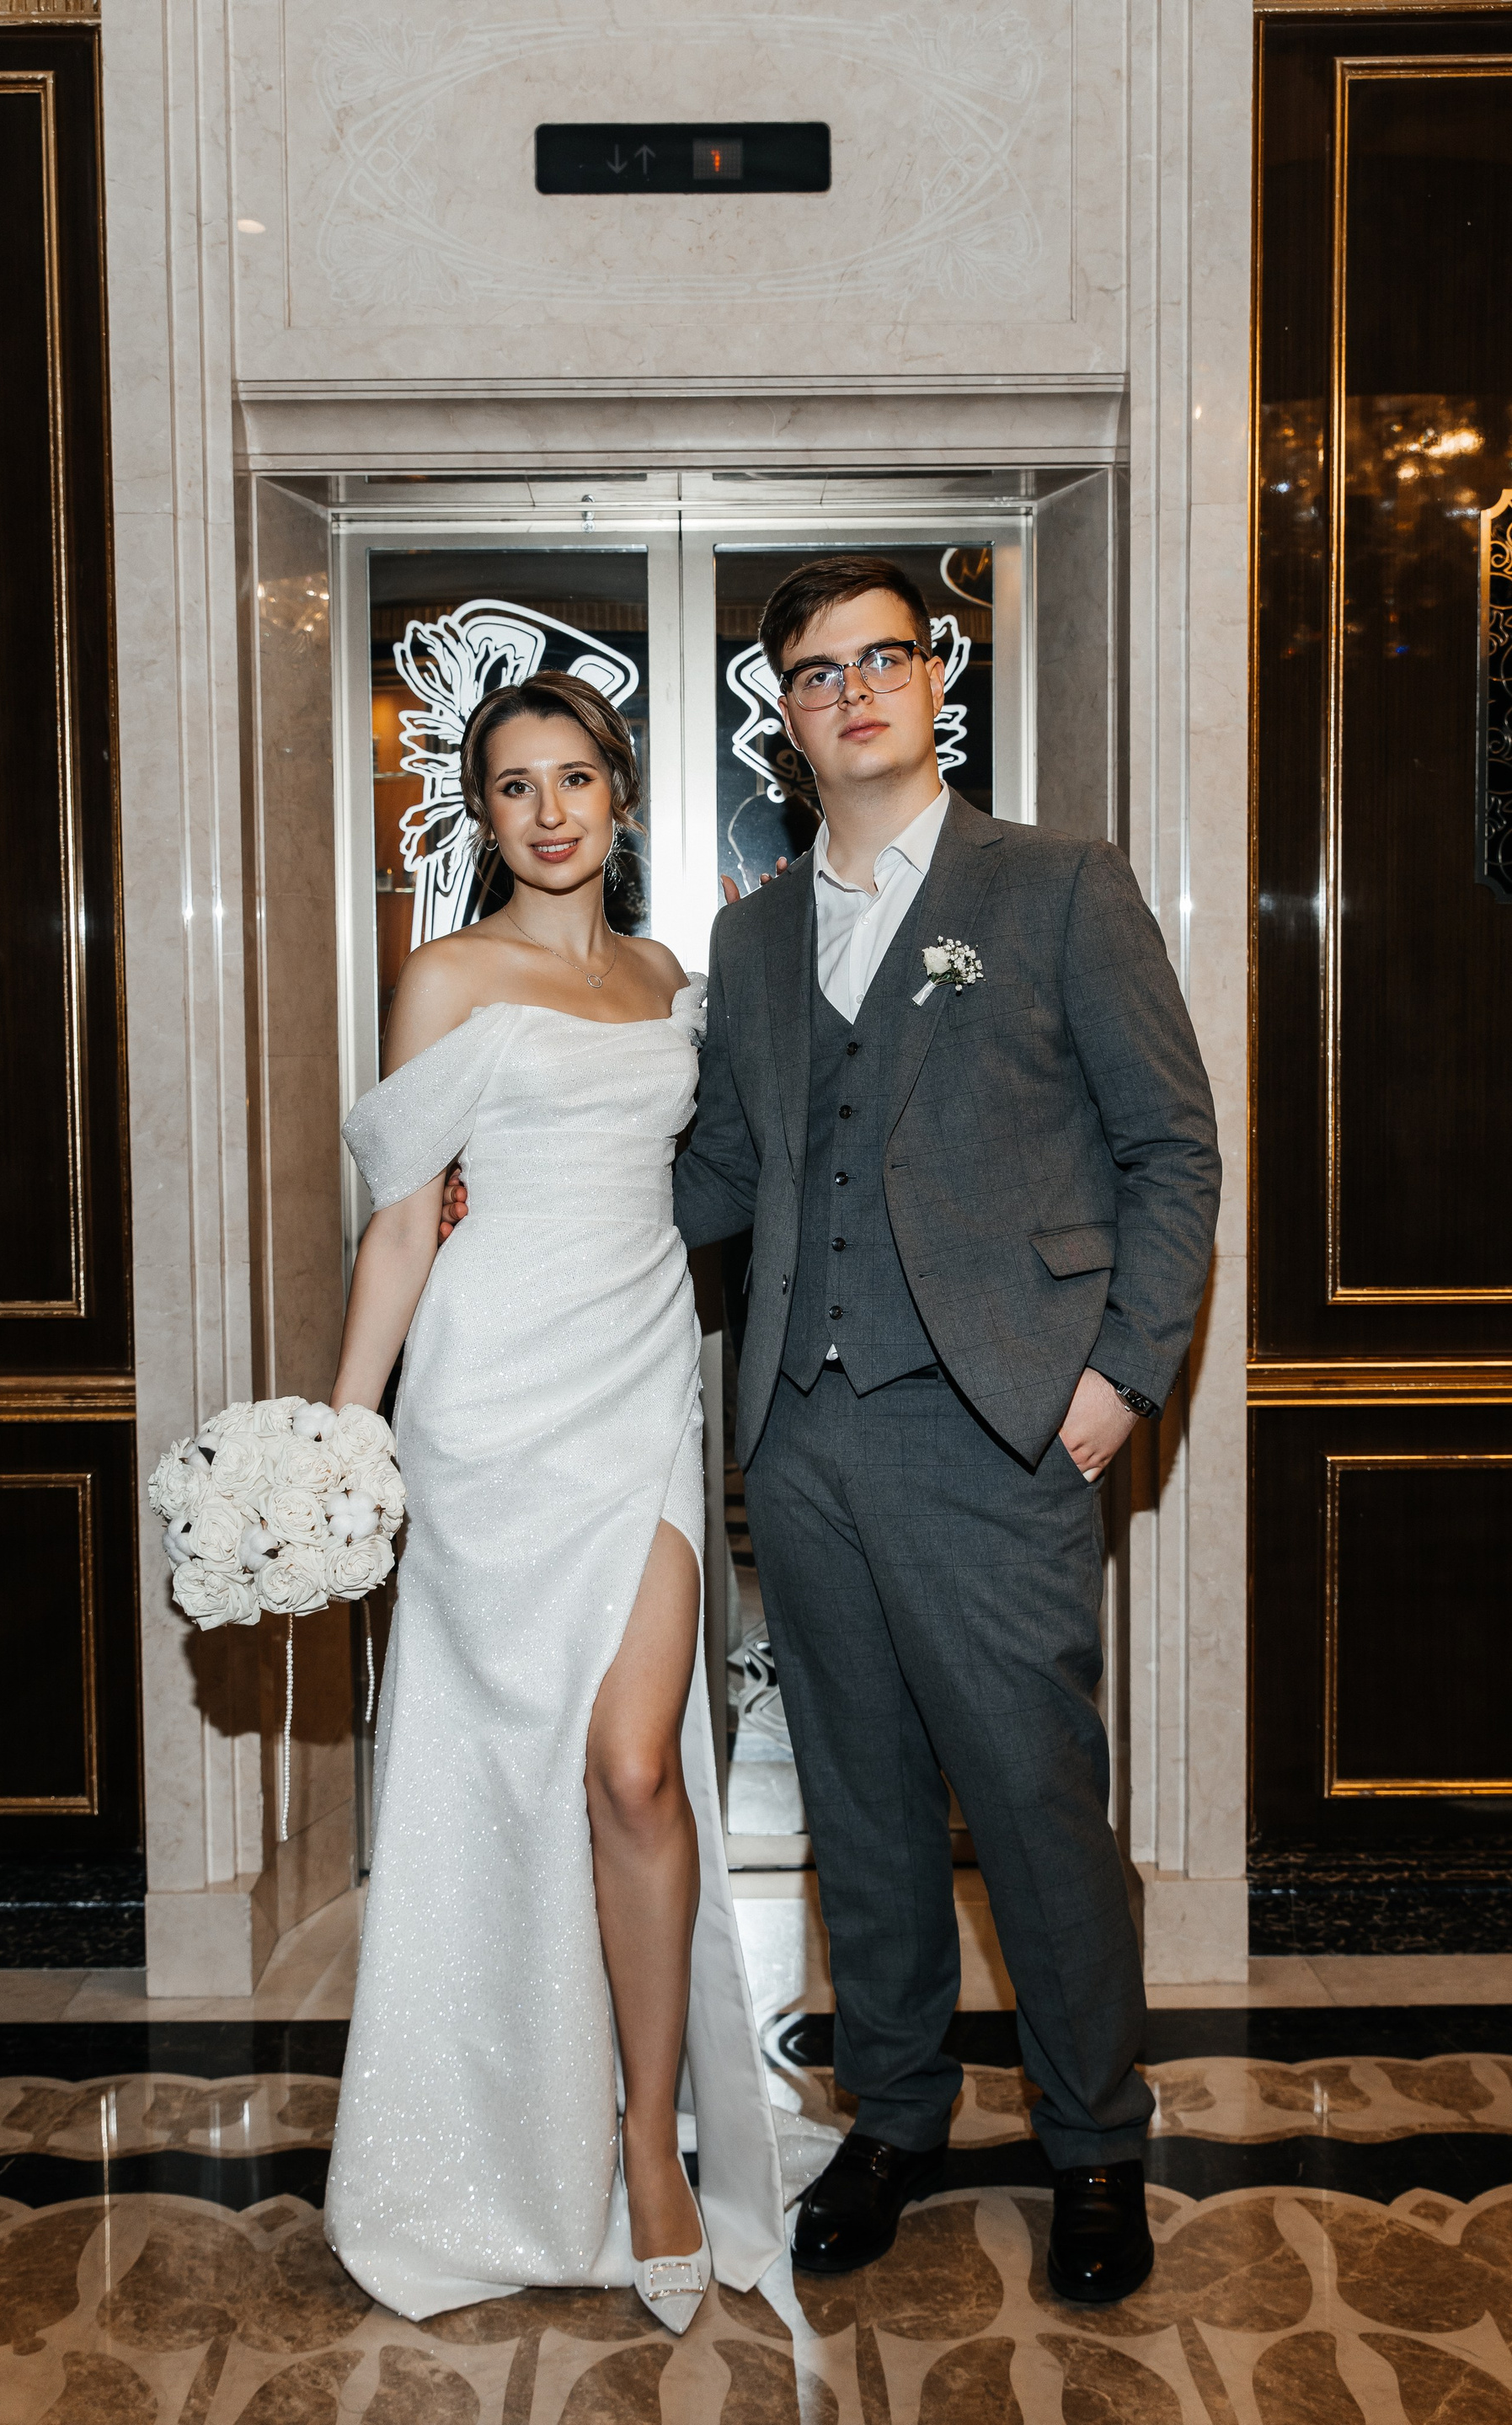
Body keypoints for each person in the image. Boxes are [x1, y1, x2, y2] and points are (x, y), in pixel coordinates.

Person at [682, 555, 1221, 2302]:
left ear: (936, 684)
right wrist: (524, 1192)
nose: (853, 692)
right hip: (805, 1440)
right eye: (816, 672)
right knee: (859, 1806)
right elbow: (722, 1176)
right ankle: (897, 2117)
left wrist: (1121, 1376)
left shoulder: (1056, 885)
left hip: (1000, 1430)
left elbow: (1171, 1147)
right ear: (784, 715)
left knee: (1036, 1805)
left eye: (883, 658)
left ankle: (1094, 2143)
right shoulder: (754, 935)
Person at [323, 670, 783, 2330]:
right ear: (483, 812)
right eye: (514, 786)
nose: (548, 812)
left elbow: (714, 1175)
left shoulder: (670, 982)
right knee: (514, 1779)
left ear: (620, 792)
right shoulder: (446, 976)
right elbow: (401, 1222)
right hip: (485, 1408)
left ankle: (654, 2141)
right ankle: (521, 2130)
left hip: (640, 1386)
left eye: (574, 777)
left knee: (638, 1768)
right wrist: (345, 1437)